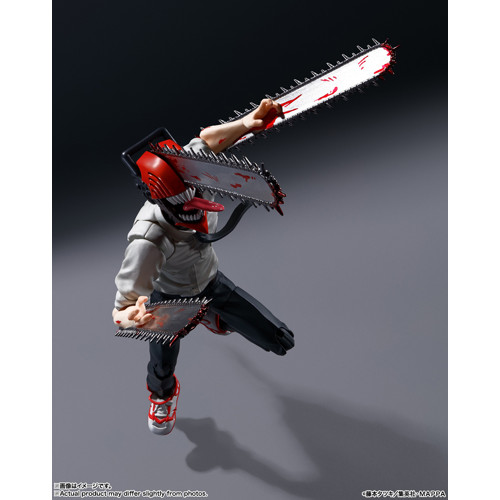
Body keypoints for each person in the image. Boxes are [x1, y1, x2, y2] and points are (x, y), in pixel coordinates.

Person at [112, 99, 294, 435]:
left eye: (196, 193)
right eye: (186, 208)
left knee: (279, 339)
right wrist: (133, 316)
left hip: (211, 281)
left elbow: (207, 139)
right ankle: (162, 396)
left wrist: (247, 123)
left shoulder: (191, 169)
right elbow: (121, 309)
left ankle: (211, 315)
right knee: (161, 363)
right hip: (168, 299)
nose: (197, 209)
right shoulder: (148, 239)